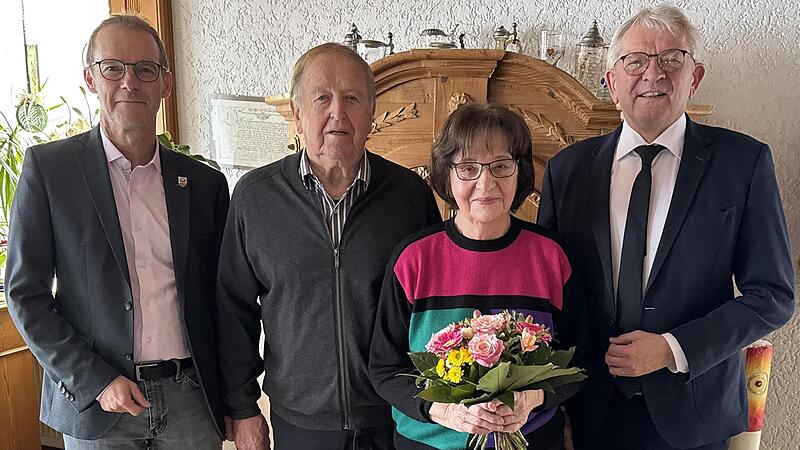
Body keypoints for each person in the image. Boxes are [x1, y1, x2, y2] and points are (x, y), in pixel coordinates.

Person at [537, 5, 795, 449]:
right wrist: (550, 403)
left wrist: (673, 348)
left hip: (694, 415)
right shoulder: (567, 171)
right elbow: (549, 296)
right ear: (611, 82)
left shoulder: (743, 164)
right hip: (589, 411)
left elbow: (772, 296)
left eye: (671, 59)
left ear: (693, 78)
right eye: (635, 61)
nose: (653, 74)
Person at [5, 14, 229, 449]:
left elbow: (224, 296)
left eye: (145, 69)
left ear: (165, 84)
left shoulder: (203, 184)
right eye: (113, 68)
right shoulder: (49, 172)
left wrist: (239, 400)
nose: (130, 82)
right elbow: (25, 295)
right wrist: (96, 380)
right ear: (90, 78)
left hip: (191, 399)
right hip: (101, 404)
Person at [216, 42, 441, 450]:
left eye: (352, 98)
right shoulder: (255, 197)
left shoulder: (409, 196)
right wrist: (244, 407)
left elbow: (434, 307)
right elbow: (234, 311)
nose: (337, 112)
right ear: (298, 114)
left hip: (395, 415)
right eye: (322, 97)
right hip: (300, 421)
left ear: (372, 115)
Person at [369, 103, 584, 450]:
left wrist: (531, 400)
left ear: (521, 173)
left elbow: (580, 360)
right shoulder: (413, 259)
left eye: (501, 166)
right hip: (429, 443)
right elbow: (383, 370)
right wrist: (442, 409)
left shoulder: (552, 257)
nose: (486, 183)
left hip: (532, 441)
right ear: (446, 176)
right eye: (468, 168)